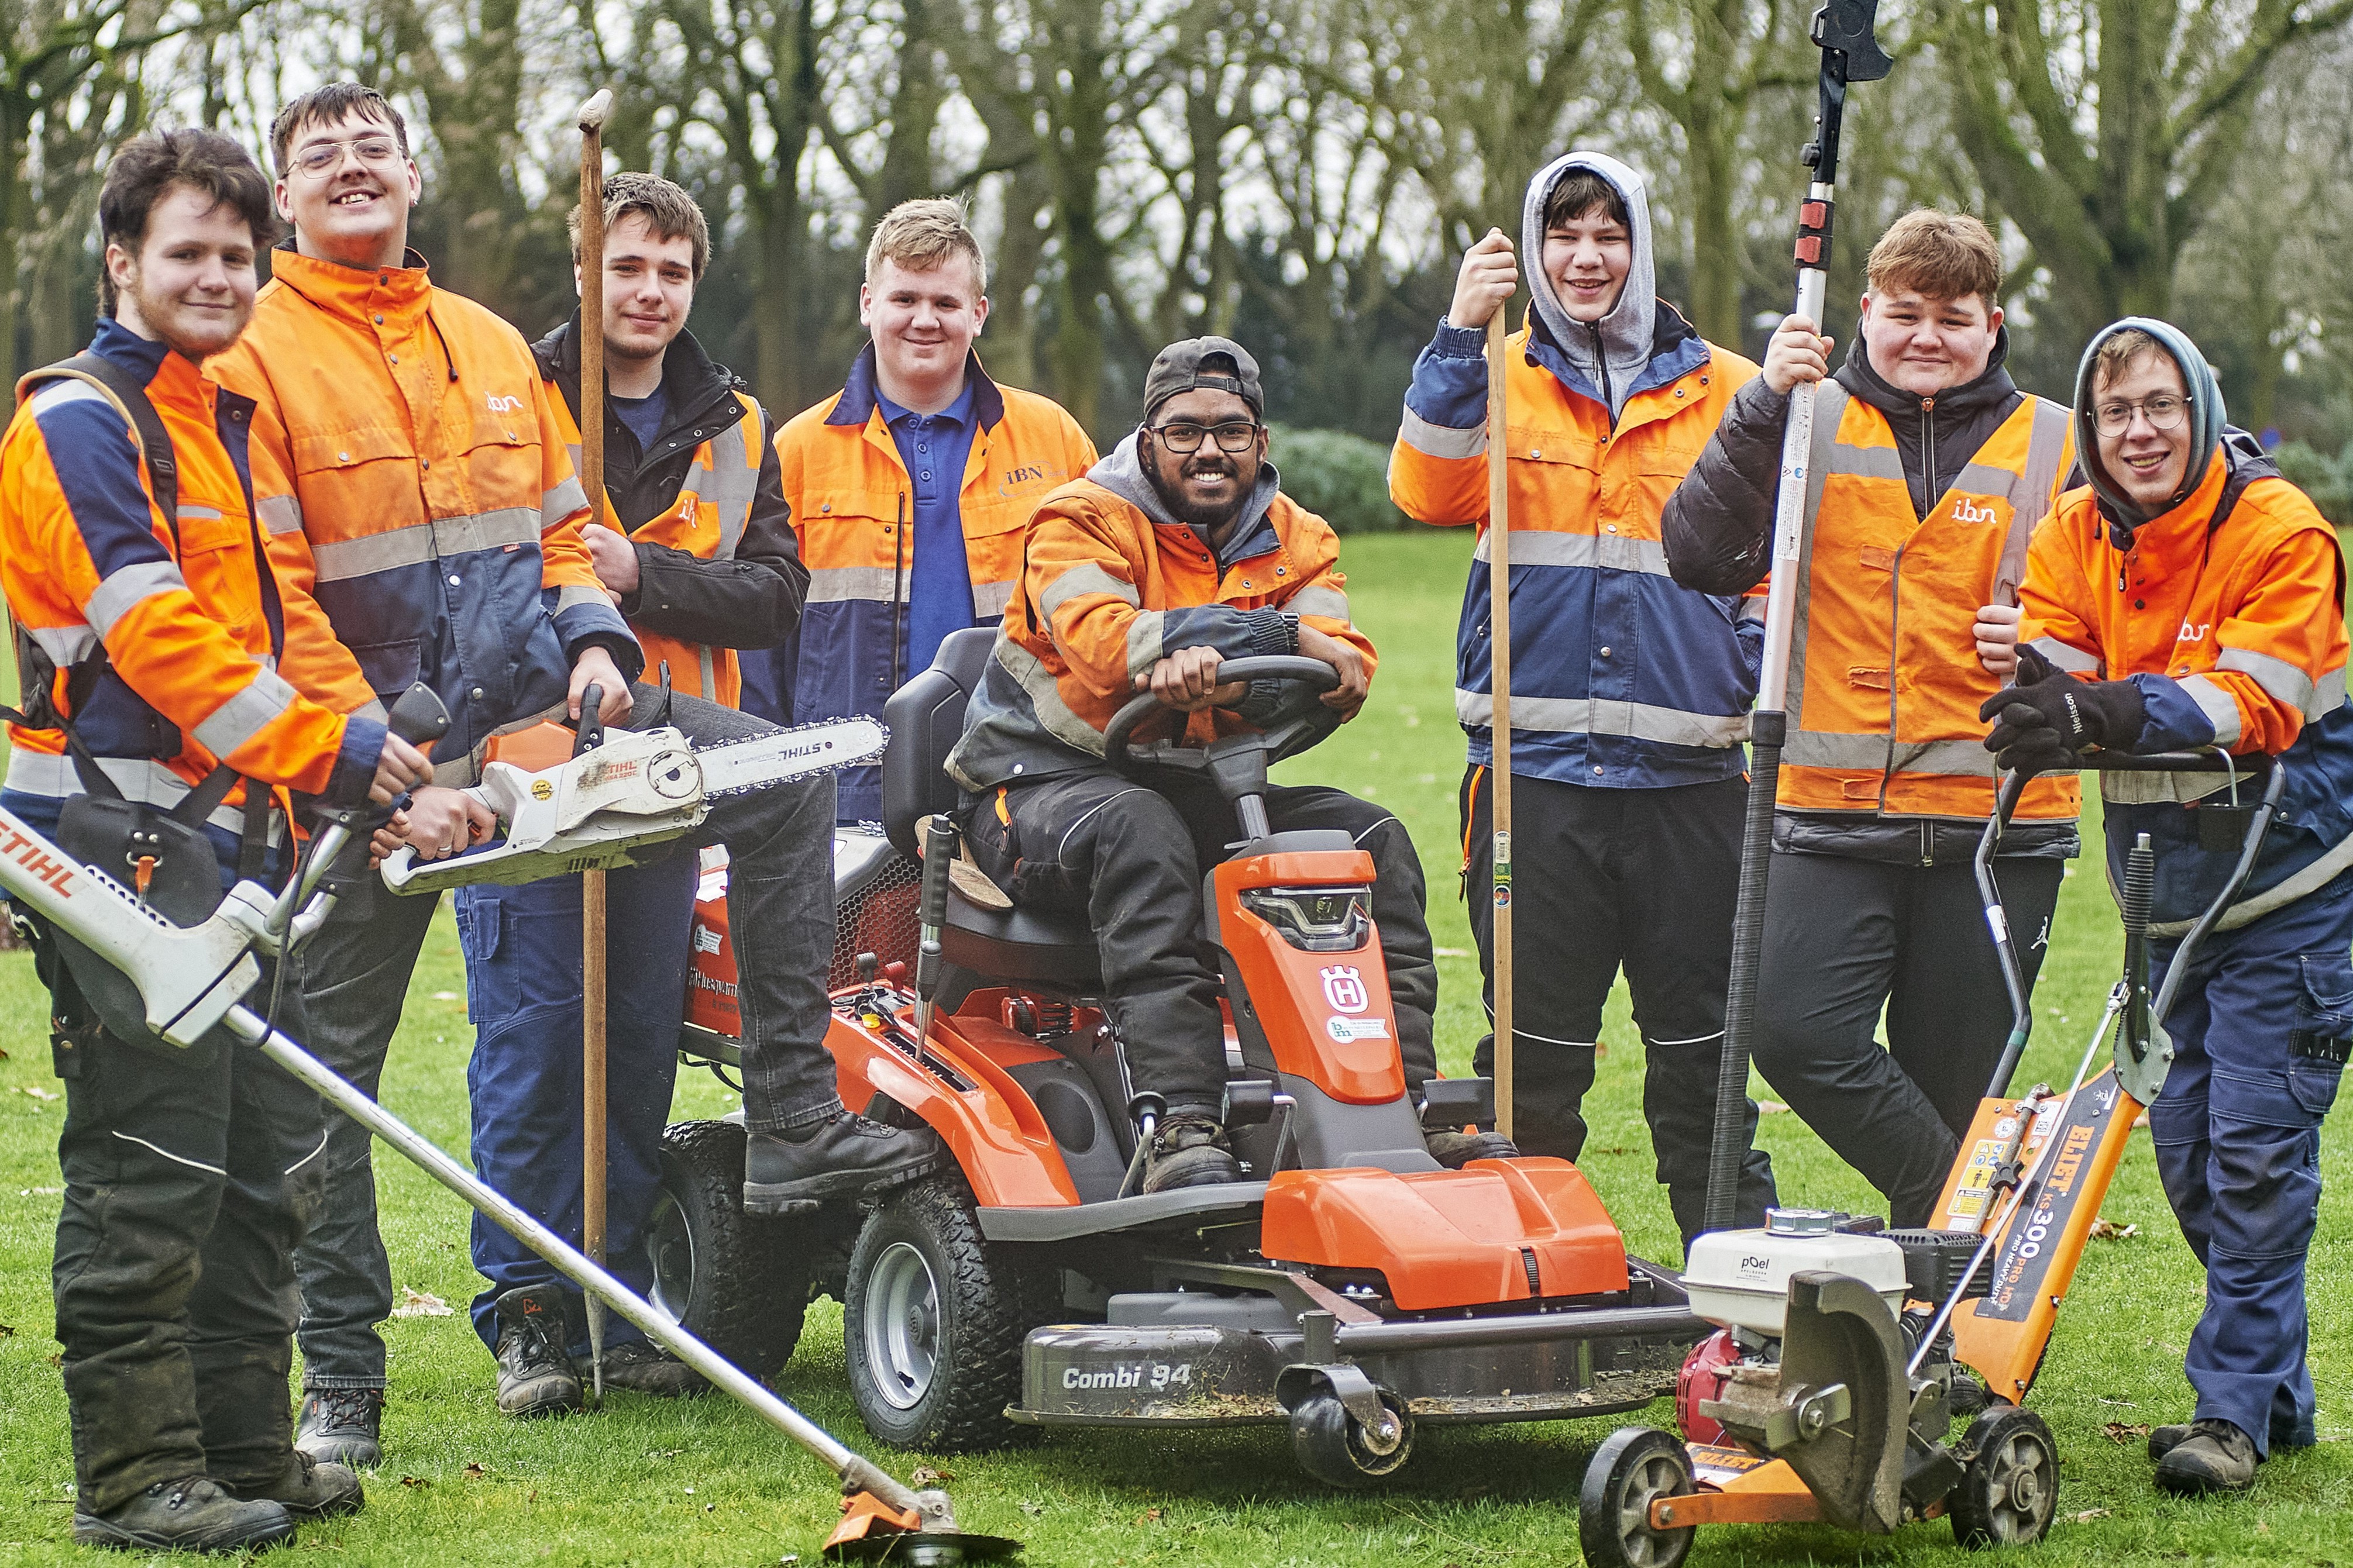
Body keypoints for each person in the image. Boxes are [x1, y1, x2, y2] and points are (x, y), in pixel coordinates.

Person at [206, 84, 933, 1456]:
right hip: (362, 764)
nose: (354, 169)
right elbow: (260, 586)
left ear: (414, 176)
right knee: (324, 1078)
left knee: (777, 786)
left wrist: (599, 636)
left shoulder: (485, 351)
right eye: (323, 156)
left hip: (549, 723)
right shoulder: (248, 357)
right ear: (281, 195)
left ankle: (786, 1121)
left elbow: (554, 532)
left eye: (375, 150)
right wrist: (361, 754)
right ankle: (345, 1379)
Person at [1, 128, 431, 1553]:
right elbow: (151, 635)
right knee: (151, 1167)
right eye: (185, 251)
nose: (216, 276)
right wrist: (335, 750)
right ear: (120, 260)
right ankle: (133, 1479)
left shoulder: (220, 419)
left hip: (234, 847)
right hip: (116, 843)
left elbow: (278, 630)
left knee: (263, 1164)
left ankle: (248, 1446)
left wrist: (376, 751)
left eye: (239, 256)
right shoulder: (77, 420)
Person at [947, 336, 1508, 1189]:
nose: (1209, 449)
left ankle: (1406, 1107)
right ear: (1146, 437)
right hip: (1034, 790)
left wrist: (1223, 659)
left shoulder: (1297, 538)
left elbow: (1344, 667)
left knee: (1372, 840)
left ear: (1261, 441)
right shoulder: (1076, 521)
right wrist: (1272, 636)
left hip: (1189, 781)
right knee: (1144, 831)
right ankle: (1180, 1127)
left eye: (1231, 430)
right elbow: (1108, 648)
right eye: (1183, 431)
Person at [432, 172, 810, 1410]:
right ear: (585, 270)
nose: (649, 291)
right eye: (627, 266)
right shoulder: (504, 397)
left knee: (638, 1042)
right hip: (529, 770)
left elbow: (772, 595)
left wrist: (641, 572)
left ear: (693, 282)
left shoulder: (737, 421)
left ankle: (616, 1299)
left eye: (672, 271)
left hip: (663, 780)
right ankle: (529, 1316)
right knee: (538, 1042)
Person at [1387, 150, 1777, 1250]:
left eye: (1609, 233)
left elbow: (1770, 569)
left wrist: (1743, 671)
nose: (1587, 255)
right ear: (1535, 246)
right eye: (1564, 233)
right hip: (1532, 785)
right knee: (1530, 1071)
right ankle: (1525, 1287)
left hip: (1691, 784)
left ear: (1642, 246)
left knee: (1701, 1068)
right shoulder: (1490, 373)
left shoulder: (1733, 388)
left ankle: (1733, 1304)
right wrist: (1460, 333)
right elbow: (1423, 491)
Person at [1660, 209, 2073, 1229]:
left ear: (1994, 324)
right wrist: (1760, 400)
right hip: (1827, 812)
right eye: (1905, 313)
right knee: (1797, 1034)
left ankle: (1942, 1337)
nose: (1926, 335)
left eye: (1953, 315)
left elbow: (2119, 616)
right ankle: (1966, 1217)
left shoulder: (2061, 441)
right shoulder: (1800, 418)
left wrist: (2045, 642)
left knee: (1960, 1086)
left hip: (1999, 819)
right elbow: (1699, 554)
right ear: (1863, 313)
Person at [1995, 319, 2352, 1495]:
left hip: (2292, 890)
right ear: (2091, 431)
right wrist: (2034, 693)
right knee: (2193, 1163)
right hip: (2168, 900)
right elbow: (2049, 665)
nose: (2138, 431)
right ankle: (2279, 1396)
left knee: (2252, 1155)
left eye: (2159, 406)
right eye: (2115, 414)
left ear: (2198, 407)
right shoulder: (2073, 530)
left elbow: (2256, 698)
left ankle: (2231, 1414)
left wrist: (2096, 714)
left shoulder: (2277, 528)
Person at [741, 197, 1096, 822]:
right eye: (904, 299)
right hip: (842, 790)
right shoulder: (796, 450)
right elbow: (758, 655)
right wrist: (765, 790)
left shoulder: (1055, 440)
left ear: (979, 313)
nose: (923, 320)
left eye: (945, 303)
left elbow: (1102, 612)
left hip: (1023, 784)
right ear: (867, 304)